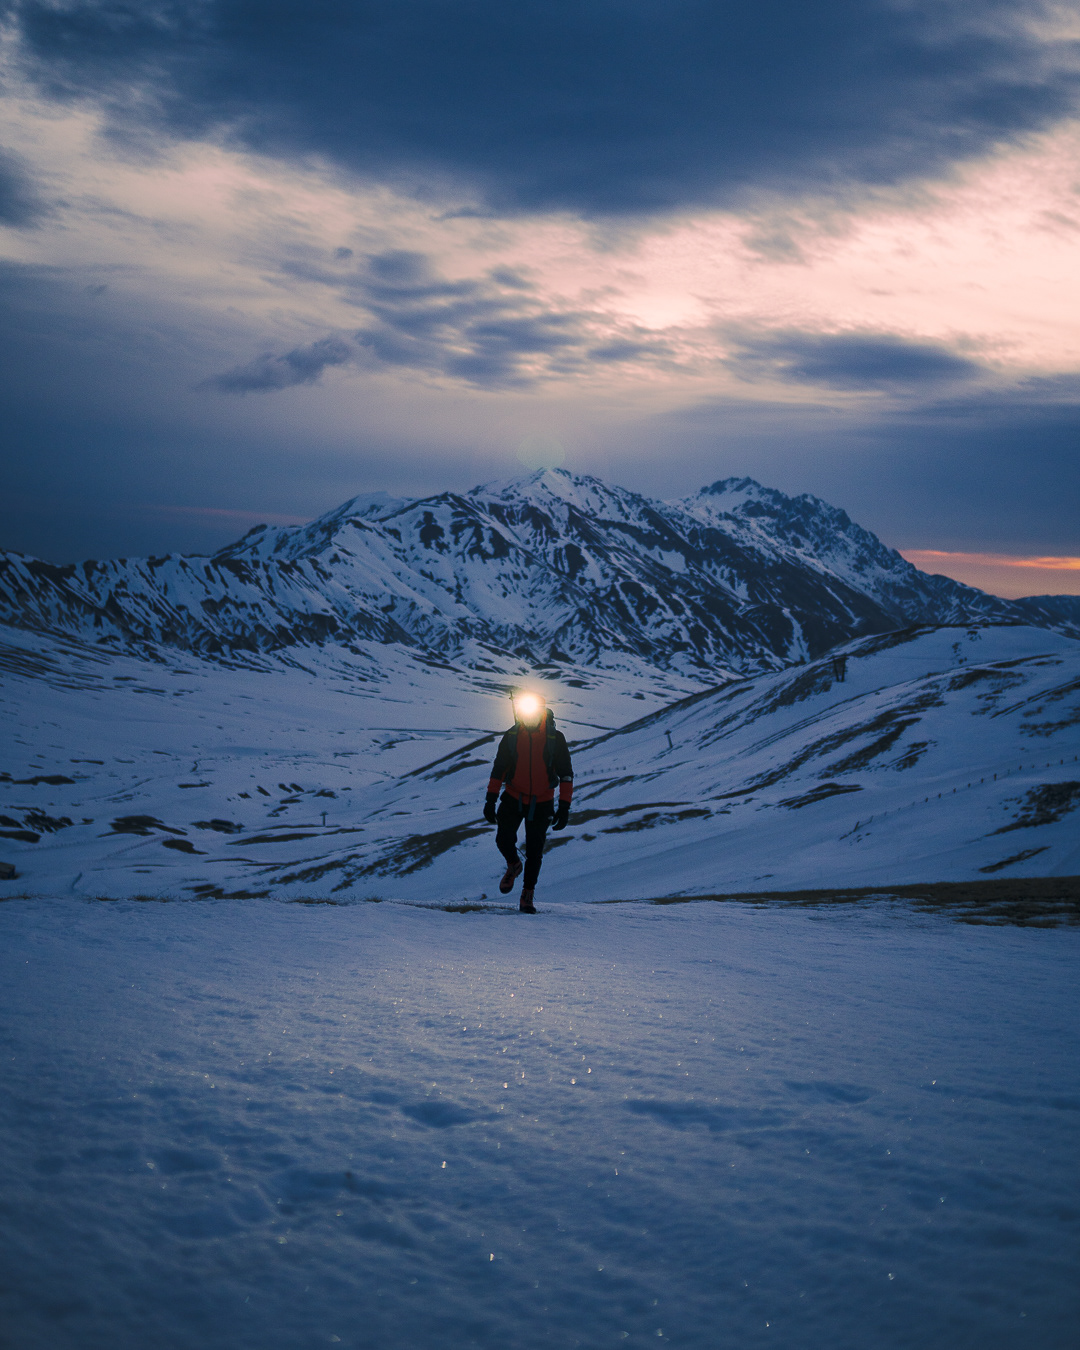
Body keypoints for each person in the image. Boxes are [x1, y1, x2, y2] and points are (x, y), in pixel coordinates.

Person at [483, 691, 573, 912]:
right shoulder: (512, 737)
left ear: (542, 712)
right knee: (503, 840)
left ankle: (527, 895)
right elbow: (499, 769)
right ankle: (514, 864)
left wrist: (564, 806)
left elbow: (566, 774)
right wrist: (490, 800)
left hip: (542, 802)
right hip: (513, 796)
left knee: (534, 851)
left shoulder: (555, 739)